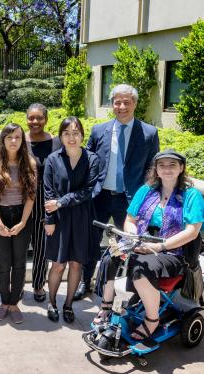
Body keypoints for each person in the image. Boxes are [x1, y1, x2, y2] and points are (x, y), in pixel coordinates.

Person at [94, 150, 204, 343]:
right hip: (140, 242)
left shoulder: (191, 195)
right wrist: (132, 237)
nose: (167, 169)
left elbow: (192, 232)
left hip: (174, 251)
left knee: (141, 268)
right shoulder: (147, 190)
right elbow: (130, 219)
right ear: (156, 169)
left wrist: (160, 247)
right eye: (162, 165)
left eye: (172, 164)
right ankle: (106, 306)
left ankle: (152, 319)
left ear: (181, 168)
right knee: (112, 255)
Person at [76, 84, 160, 300]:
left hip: (130, 200)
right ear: (112, 104)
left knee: (131, 243)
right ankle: (86, 281)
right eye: (117, 102)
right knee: (90, 241)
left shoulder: (149, 133)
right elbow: (88, 162)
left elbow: (153, 169)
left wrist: (149, 198)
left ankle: (129, 285)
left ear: (135, 104)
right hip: (100, 197)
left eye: (127, 102)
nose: (122, 106)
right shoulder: (98, 130)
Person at [44, 117, 99, 323]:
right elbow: (48, 192)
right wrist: (49, 218)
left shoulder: (92, 159)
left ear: (82, 135)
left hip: (82, 217)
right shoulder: (52, 159)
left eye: (76, 133)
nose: (71, 137)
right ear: (60, 136)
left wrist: (61, 202)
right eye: (66, 133)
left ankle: (68, 305)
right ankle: (52, 302)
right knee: (58, 264)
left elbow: (88, 191)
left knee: (76, 264)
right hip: (58, 218)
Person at [0, 124, 37, 324]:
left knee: (19, 263)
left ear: (22, 140)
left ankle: (14, 303)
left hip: (21, 215)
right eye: (9, 137)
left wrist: (23, 222)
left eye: (17, 137)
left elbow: (31, 197)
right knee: (3, 263)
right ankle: (4, 302)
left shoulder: (29, 163)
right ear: (3, 140)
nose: (13, 141)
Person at [25, 103, 60, 303]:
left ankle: (38, 284)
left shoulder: (55, 142)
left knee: (40, 245)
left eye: (39, 118)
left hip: (45, 200)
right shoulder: (20, 141)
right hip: (20, 199)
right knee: (19, 246)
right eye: (31, 118)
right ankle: (16, 285)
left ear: (46, 119)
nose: (35, 122)